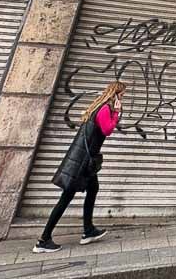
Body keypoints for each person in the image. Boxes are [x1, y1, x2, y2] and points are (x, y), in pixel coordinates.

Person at [35, 81, 124, 252]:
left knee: (93, 188)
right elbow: (107, 130)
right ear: (115, 95)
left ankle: (88, 230)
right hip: (83, 162)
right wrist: (117, 114)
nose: (123, 98)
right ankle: (43, 240)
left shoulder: (99, 107)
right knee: (66, 197)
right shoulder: (105, 109)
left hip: (86, 161)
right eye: (122, 95)